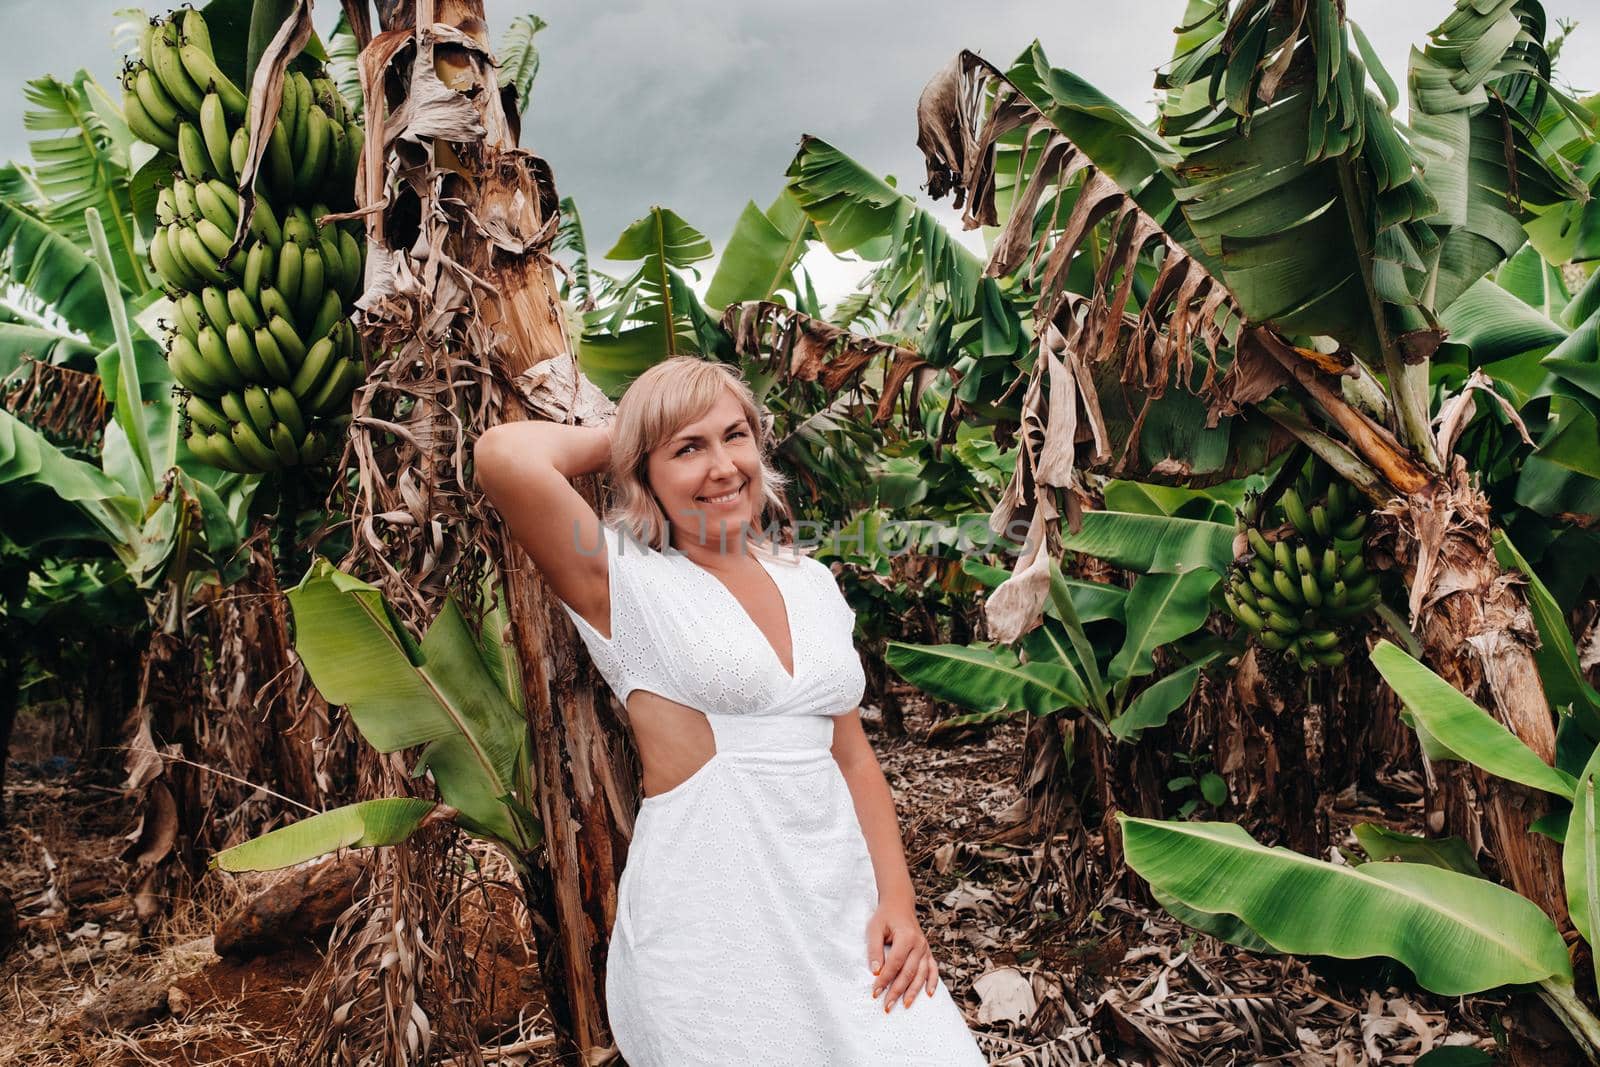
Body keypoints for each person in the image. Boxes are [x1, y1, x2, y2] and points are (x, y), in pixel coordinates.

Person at [474, 355, 988, 1065]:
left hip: (844, 919)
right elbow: (502, 454)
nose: (723, 466)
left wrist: (898, 902)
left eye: (735, 434)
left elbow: (852, 757)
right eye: (688, 448)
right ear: (643, 469)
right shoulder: (623, 578)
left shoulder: (810, 580)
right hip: (715, 946)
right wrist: (626, 431)